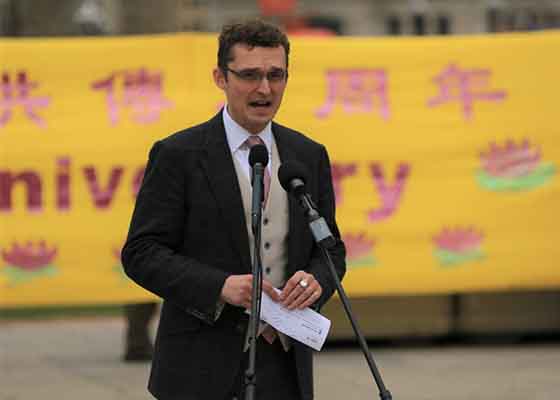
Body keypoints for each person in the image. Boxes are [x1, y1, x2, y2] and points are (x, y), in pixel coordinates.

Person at [122, 19, 346, 400]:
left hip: (285, 364)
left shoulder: (307, 155)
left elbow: (331, 249)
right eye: (249, 75)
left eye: (276, 75)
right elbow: (141, 253)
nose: (264, 88)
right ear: (220, 78)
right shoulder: (179, 155)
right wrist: (219, 287)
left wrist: (316, 280)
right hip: (199, 366)